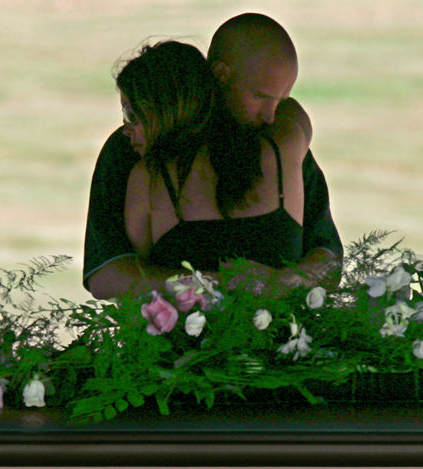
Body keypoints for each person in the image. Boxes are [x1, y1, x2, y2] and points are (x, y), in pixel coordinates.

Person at [83, 13, 343, 299]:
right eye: (260, 96)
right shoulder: (130, 151)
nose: (270, 115)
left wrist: (277, 282)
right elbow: (107, 274)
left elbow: (328, 257)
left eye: (280, 101)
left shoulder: (279, 142)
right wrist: (224, 284)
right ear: (220, 75)